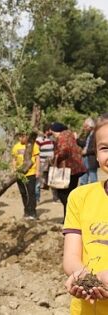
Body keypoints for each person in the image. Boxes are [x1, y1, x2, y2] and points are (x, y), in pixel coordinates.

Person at [63, 113, 108, 314]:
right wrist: (80, 275)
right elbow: (71, 255)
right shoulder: (80, 197)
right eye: (105, 148)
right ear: (96, 154)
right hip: (87, 308)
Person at [50, 122, 86, 222]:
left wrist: (55, 157)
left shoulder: (62, 137)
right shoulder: (70, 135)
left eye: (53, 132)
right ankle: (69, 218)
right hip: (76, 169)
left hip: (68, 170)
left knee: (63, 195)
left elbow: (64, 151)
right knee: (70, 194)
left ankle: (70, 218)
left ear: (56, 131)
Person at [12, 131, 40, 220]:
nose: (21, 138)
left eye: (23, 136)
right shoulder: (16, 146)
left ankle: (33, 212)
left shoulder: (33, 145)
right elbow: (14, 159)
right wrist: (14, 170)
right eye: (20, 137)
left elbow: (37, 158)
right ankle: (26, 211)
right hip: (20, 173)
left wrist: (37, 170)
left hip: (31, 172)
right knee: (23, 193)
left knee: (31, 193)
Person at [36, 124, 58, 203]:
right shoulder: (39, 139)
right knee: (39, 181)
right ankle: (37, 198)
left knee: (53, 180)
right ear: (47, 130)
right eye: (50, 130)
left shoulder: (52, 139)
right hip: (42, 163)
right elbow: (36, 151)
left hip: (51, 163)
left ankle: (55, 198)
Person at [77, 117, 98, 185]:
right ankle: (83, 191)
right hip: (85, 158)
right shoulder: (89, 134)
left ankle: (95, 192)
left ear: (91, 126)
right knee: (83, 177)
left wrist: (87, 151)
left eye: (86, 126)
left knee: (93, 178)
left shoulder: (96, 134)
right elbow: (84, 144)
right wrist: (77, 139)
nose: (84, 128)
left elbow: (96, 148)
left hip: (91, 158)